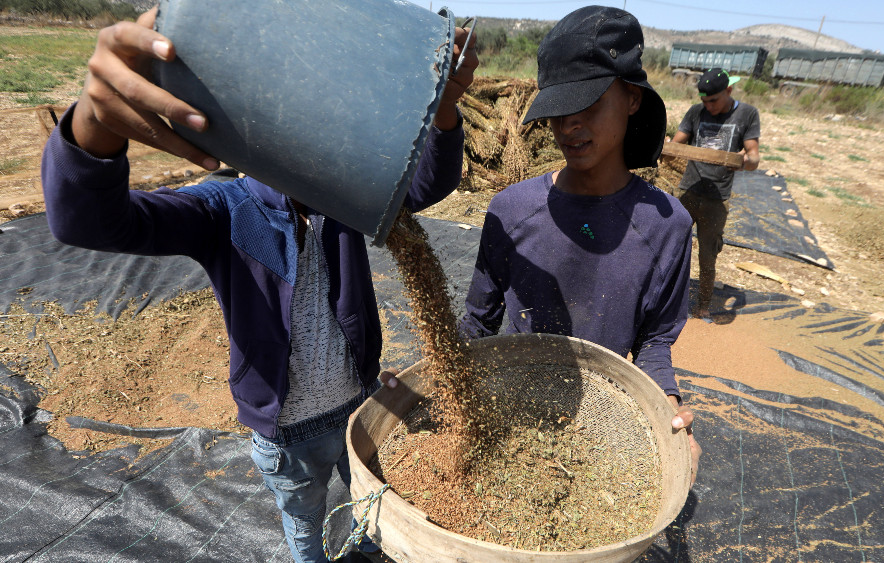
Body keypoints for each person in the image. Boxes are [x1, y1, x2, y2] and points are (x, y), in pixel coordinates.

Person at [40, 8, 477, 563]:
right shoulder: (225, 209)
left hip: (358, 410)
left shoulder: (344, 195)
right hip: (285, 434)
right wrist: (93, 122)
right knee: (305, 525)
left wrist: (443, 110)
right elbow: (88, 221)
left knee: (372, 514)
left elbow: (426, 183)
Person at [459, 5, 700, 482]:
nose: (569, 126)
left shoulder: (667, 225)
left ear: (632, 99)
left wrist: (667, 410)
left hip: (604, 427)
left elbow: (654, 342)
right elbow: (477, 323)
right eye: (558, 110)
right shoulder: (511, 210)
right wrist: (435, 375)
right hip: (515, 417)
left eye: (588, 106)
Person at [668, 67, 761, 319]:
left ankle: (702, 306)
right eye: (704, 101)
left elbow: (753, 156)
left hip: (717, 199)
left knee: (708, 256)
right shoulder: (696, 112)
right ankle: (666, 301)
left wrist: (745, 161)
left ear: (728, 91)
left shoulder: (747, 114)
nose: (708, 106)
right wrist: (667, 149)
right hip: (689, 191)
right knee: (672, 248)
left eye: (713, 101)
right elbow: (677, 145)